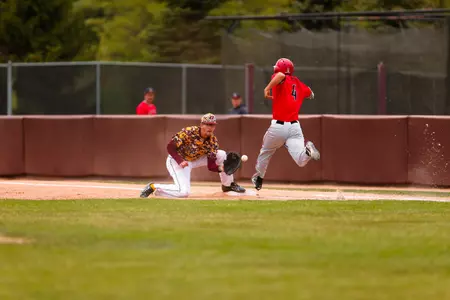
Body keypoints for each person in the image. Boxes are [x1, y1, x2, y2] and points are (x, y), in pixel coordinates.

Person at [251, 58, 320, 191]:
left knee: (265, 152)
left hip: (278, 126)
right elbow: (311, 93)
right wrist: (304, 93)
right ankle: (307, 151)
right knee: (300, 160)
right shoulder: (298, 83)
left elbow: (281, 75)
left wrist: (267, 88)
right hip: (295, 127)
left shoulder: (279, 76)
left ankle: (259, 178)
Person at [140, 113, 246, 198]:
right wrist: (180, 161)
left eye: (212, 125)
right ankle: (153, 187)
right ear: (201, 125)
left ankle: (228, 185)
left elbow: (211, 165)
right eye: (207, 124)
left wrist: (222, 168)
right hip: (177, 160)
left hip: (195, 159)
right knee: (184, 192)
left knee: (222, 154)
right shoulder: (189, 132)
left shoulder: (213, 141)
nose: (210, 127)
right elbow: (170, 147)